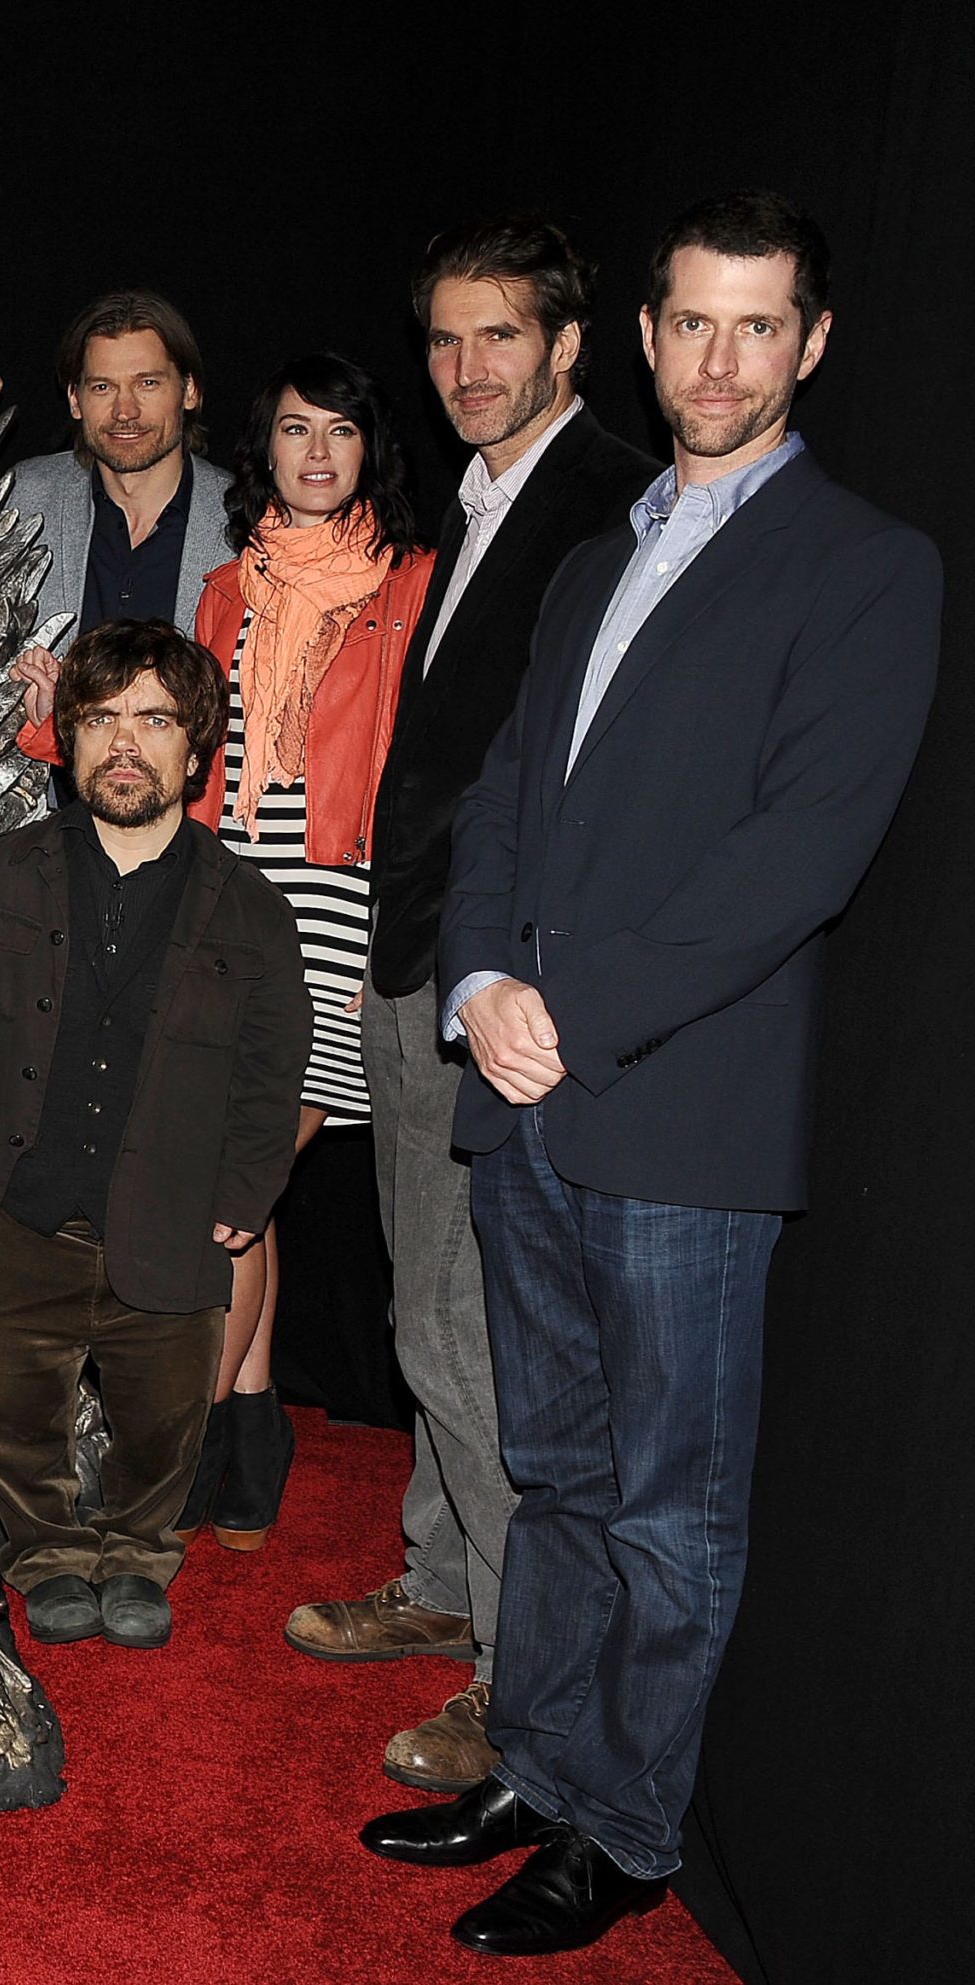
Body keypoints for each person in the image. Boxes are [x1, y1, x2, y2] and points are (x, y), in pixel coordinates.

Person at [361, 192, 941, 1960]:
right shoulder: (601, 552)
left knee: (673, 1515)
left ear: (813, 345)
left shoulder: (866, 566)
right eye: (691, 322)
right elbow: (511, 801)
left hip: (682, 1111)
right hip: (528, 1093)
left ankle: (622, 1828)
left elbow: (800, 858)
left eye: (756, 327)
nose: (717, 358)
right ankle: (535, 1766)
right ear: (647, 338)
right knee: (555, 1470)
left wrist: (568, 1008)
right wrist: (476, 976)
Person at [284, 220, 656, 1796]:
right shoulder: (487, 498)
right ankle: (442, 1577)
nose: (467, 368)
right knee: (418, 1308)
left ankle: (516, 1682)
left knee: (463, 1327)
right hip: (415, 950)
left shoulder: (608, 502)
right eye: (444, 341)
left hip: (489, 971)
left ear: (570, 343)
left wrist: (500, 964)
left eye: (501, 335)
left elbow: (591, 769)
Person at [29, 355, 435, 1547]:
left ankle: (186, 1446)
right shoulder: (224, 589)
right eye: (297, 430)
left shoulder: (408, 587)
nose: (318, 453)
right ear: (264, 451)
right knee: (239, 1191)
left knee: (225, 1183)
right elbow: (171, 739)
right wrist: (47, 708)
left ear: (371, 451)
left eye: (341, 431)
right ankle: (247, 1425)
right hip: (225, 910)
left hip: (340, 913)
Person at [0, 618, 310, 1650]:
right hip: (14, 1209)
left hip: (167, 1217)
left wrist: (243, 1196)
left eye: (155, 719)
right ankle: (45, 1552)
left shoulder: (250, 910)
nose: (126, 742)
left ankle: (134, 1551)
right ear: (66, 739)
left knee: (163, 1421)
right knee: (7, 1410)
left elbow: (269, 1070)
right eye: (103, 718)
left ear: (196, 748)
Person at [0, 291, 234, 740]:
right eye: (102, 387)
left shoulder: (247, 520)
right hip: (44, 802)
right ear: (74, 399)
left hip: (193, 804)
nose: (124, 411)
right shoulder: (28, 495)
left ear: (189, 391)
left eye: (147, 383)